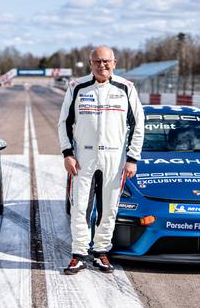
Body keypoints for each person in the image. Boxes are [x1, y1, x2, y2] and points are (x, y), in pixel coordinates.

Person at [57, 46, 144, 274]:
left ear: (114, 62)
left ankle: (101, 252)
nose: (102, 65)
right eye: (97, 61)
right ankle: (78, 254)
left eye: (106, 61)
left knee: (108, 209)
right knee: (79, 208)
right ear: (90, 63)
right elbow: (64, 122)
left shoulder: (126, 88)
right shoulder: (77, 87)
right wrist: (67, 153)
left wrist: (132, 158)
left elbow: (138, 126)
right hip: (83, 156)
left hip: (114, 157)